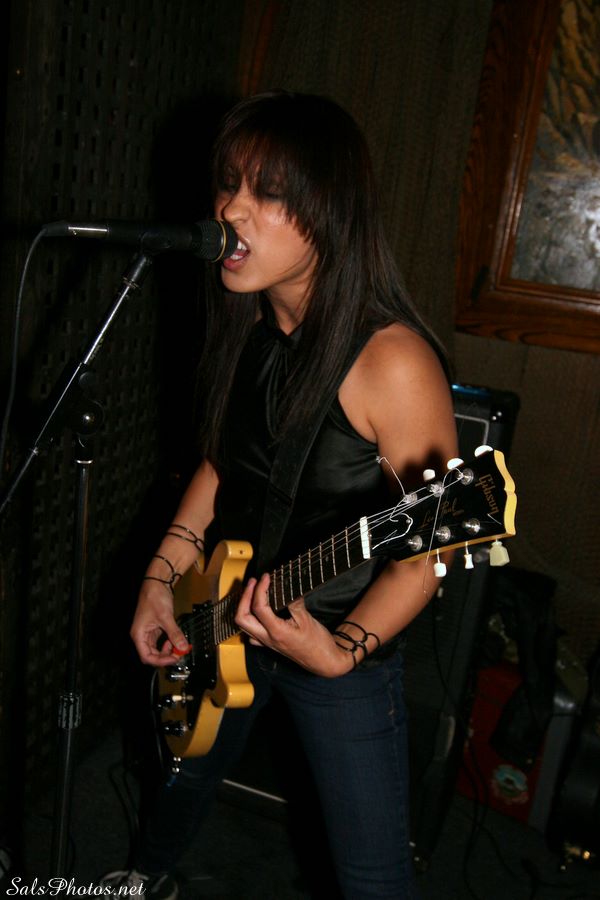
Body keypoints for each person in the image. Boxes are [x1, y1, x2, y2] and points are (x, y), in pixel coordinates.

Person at [102, 90, 458, 899]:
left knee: (372, 877)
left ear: (329, 214)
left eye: (267, 193)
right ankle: (145, 877)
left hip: (337, 638)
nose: (231, 210)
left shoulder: (393, 362)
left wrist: (342, 651)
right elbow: (222, 465)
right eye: (229, 184)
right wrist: (161, 577)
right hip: (226, 609)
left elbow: (429, 550)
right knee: (183, 777)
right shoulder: (251, 327)